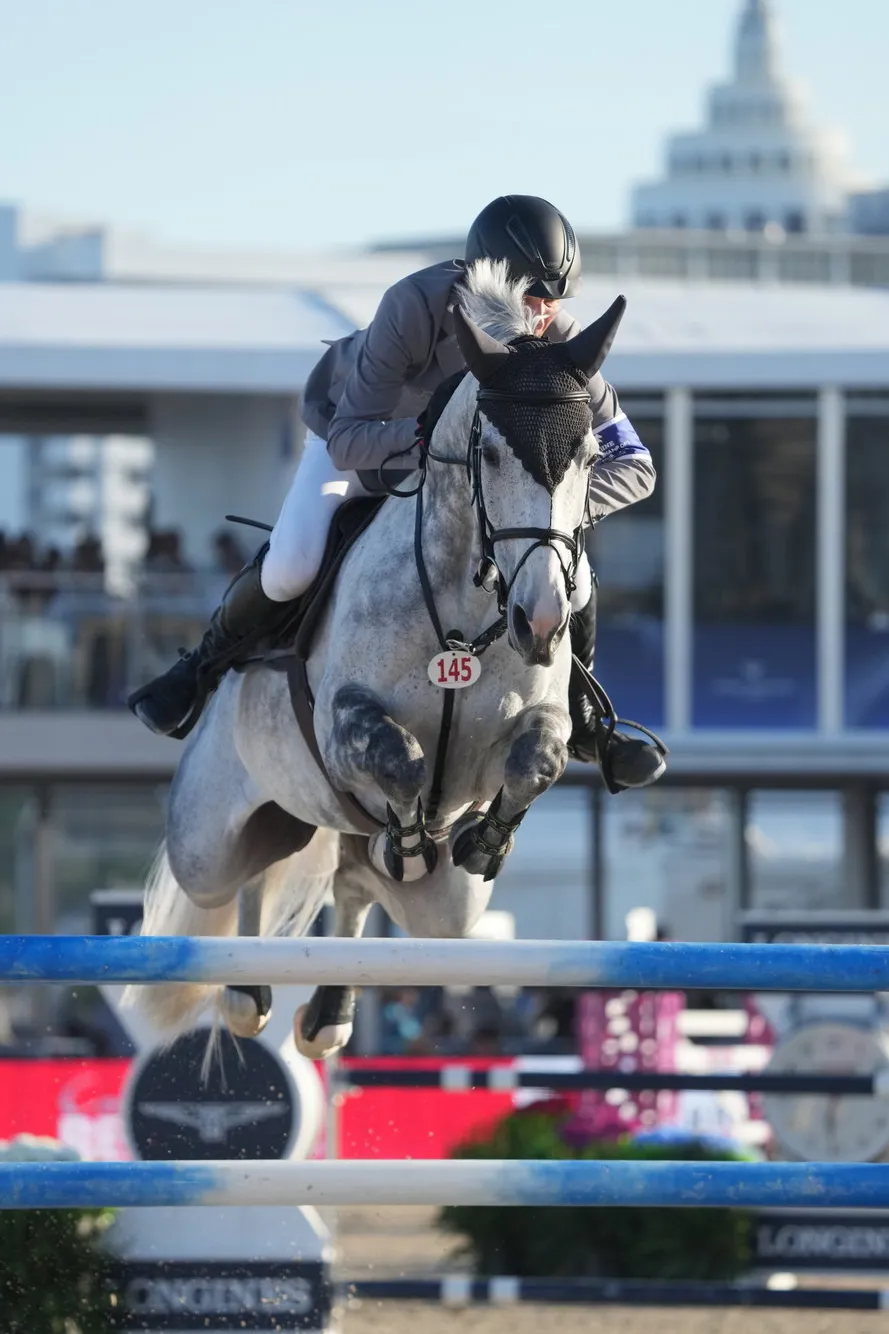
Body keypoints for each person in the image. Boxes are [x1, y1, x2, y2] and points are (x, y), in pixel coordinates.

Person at [129, 195, 666, 790]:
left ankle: (586, 715)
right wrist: (432, 447)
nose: (543, 317)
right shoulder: (414, 306)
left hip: (472, 489)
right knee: (292, 565)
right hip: (367, 440)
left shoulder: (563, 346)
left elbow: (636, 465)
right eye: (532, 298)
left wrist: (545, 510)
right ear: (486, 278)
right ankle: (200, 669)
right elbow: (349, 441)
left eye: (554, 301)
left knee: (571, 572)